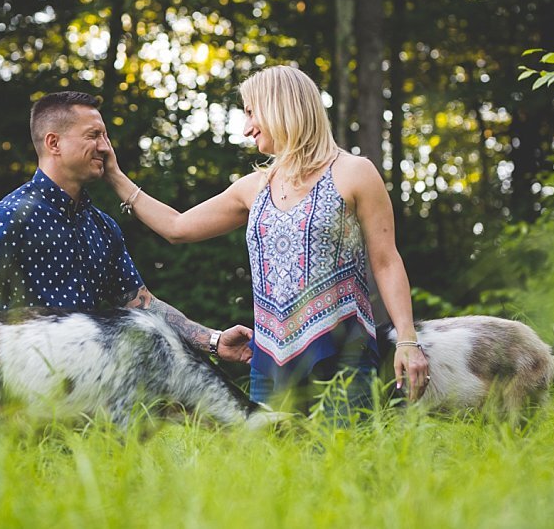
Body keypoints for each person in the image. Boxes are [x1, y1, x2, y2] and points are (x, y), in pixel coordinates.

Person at [100, 65, 429, 414]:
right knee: (276, 467)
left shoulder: (355, 173)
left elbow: (386, 260)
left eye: (250, 112)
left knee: (346, 463)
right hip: (269, 365)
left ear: (280, 106)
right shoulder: (253, 188)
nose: (245, 128)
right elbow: (177, 226)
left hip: (343, 359)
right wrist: (115, 176)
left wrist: (407, 340)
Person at [0, 91, 254, 365]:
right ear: (54, 143)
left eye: (106, 136)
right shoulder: (9, 215)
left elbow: (143, 305)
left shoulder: (103, 227)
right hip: (14, 387)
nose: (106, 148)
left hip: (86, 390)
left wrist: (213, 340)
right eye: (93, 136)